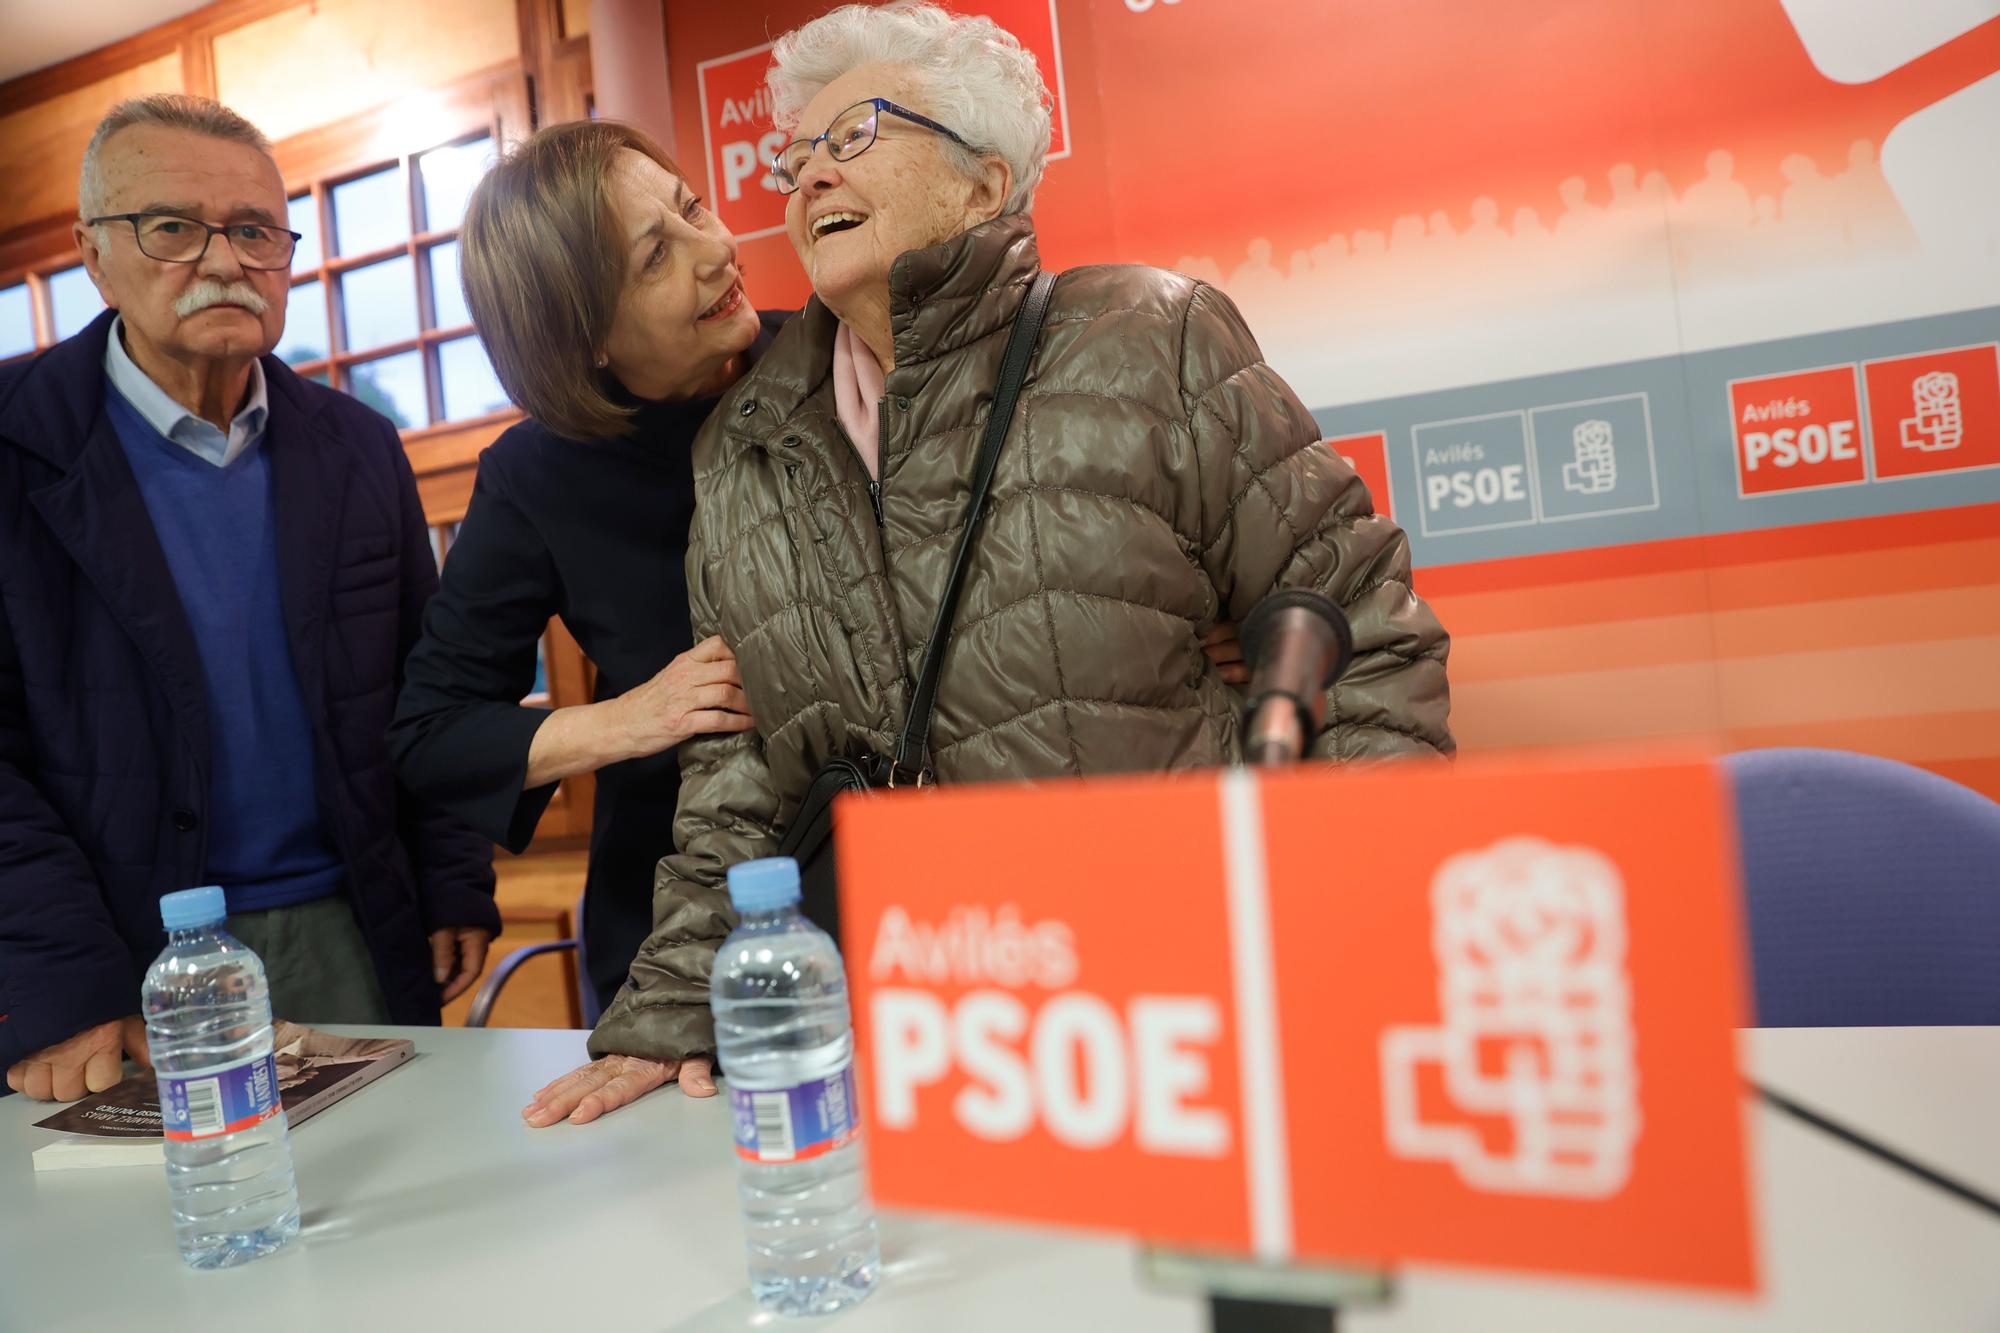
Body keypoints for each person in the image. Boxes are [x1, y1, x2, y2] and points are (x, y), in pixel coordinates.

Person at [522, 2, 1453, 1129]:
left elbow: (1362, 639)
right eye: (796, 155)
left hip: (1177, 1012)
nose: (807, 176)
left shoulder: (1154, 341)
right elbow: (740, 783)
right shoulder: (745, 446)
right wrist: (666, 1007)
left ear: (983, 182)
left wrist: (1345, 935)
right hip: (921, 1033)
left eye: (853, 135)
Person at [0, 95, 496, 1100]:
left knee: (396, 1213)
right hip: (119, 953)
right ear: (93, 254)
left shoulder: (357, 447)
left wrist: (452, 875)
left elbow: (428, 686)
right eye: (173, 227)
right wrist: (60, 973)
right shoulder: (14, 443)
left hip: (352, 923)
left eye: (256, 232)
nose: (224, 261)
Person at [389, 121, 779, 1017]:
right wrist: (627, 718)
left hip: (883, 871)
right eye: (655, 258)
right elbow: (431, 736)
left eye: (692, 209)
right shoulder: (538, 474)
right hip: (677, 930)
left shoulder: (830, 364)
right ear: (585, 337)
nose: (718, 249)